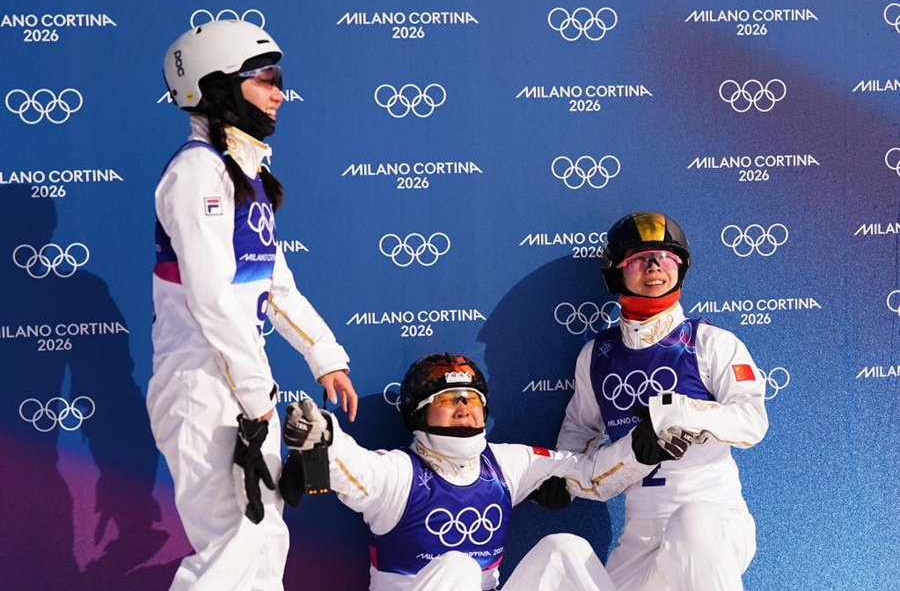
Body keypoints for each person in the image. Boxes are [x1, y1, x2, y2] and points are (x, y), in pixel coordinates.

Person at [146, 19, 357, 590]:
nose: (279, 93)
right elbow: (212, 299)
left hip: (239, 388)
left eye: (278, 80)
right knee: (233, 546)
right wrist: (256, 395)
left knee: (263, 542)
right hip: (202, 385)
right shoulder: (197, 171)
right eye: (265, 80)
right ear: (216, 86)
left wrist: (324, 356)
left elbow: (274, 287)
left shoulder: (245, 172)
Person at [552, 212, 768, 591]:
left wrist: (683, 413)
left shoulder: (711, 342)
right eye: (638, 259)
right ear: (616, 273)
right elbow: (578, 435)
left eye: (666, 257)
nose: (654, 267)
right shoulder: (596, 355)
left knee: (694, 521)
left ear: (680, 268)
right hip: (640, 535)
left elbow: (751, 421)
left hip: (715, 520)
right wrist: (560, 478)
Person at [280, 353, 619, 591]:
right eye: (447, 400)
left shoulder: (504, 463)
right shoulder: (399, 471)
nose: (463, 408)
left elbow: (588, 471)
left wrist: (640, 448)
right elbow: (355, 467)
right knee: (459, 566)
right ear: (418, 413)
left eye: (471, 399)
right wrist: (322, 436)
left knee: (566, 549)